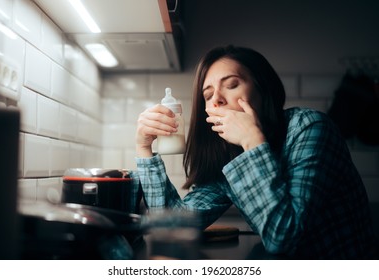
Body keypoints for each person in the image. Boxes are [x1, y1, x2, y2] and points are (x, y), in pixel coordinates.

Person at [134, 45, 378, 259]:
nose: (216, 100)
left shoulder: (309, 127)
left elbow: (284, 237)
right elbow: (172, 227)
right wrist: (144, 146)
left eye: (231, 85)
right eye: (207, 95)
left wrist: (252, 141)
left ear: (263, 90)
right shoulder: (229, 157)